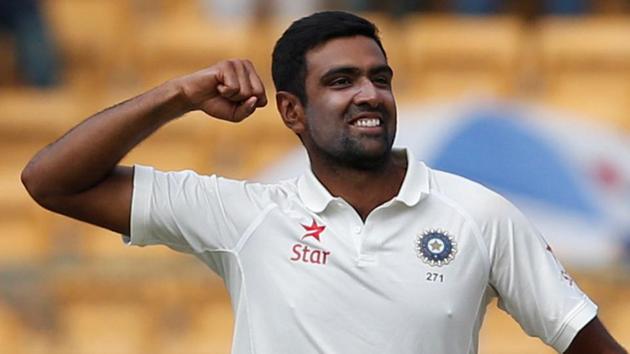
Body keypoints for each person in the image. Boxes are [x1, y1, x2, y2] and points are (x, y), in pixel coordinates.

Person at [21, 11, 625, 354]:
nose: (368, 93)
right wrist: (178, 95)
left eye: (379, 77)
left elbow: (589, 344)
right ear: (292, 112)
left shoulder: (478, 213)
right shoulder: (245, 213)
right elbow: (52, 182)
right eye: (341, 81)